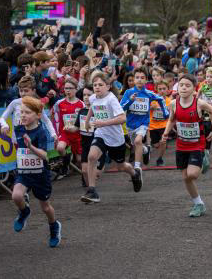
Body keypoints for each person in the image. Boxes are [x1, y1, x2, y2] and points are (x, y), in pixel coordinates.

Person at [81, 72, 142, 203]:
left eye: (100, 85)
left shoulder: (111, 99)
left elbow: (122, 118)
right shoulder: (93, 98)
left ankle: (135, 174)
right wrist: (87, 120)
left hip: (115, 138)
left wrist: (103, 123)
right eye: (95, 85)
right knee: (91, 157)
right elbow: (93, 107)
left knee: (121, 167)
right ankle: (92, 191)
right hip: (101, 134)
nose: (97, 87)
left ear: (108, 86)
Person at [163, 74, 212, 217]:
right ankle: (198, 204)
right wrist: (166, 132)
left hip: (197, 144)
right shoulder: (174, 103)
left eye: (187, 85)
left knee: (192, 174)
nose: (184, 88)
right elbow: (171, 120)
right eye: (181, 85)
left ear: (194, 89)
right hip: (181, 145)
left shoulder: (199, 103)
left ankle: (204, 158)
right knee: (186, 177)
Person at [11, 96, 62, 248]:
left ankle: (54, 227)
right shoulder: (19, 128)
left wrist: (31, 147)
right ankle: (24, 212)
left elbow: (45, 155)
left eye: (27, 113)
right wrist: (4, 128)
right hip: (24, 172)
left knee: (45, 207)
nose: (23, 116)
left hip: (40, 174)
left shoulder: (41, 132)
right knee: (16, 195)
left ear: (38, 115)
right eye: (21, 113)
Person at [120, 67, 169, 171]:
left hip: (143, 123)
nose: (140, 80)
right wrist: (130, 100)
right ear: (134, 79)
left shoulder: (148, 93)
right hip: (130, 124)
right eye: (137, 77)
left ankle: (137, 167)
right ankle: (145, 150)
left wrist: (165, 112)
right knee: (136, 144)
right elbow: (121, 108)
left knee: (138, 141)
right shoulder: (128, 93)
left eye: (142, 77)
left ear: (146, 80)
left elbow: (160, 99)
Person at [51, 77, 84, 179]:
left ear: (76, 89)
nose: (68, 90)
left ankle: (85, 177)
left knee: (79, 160)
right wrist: (55, 132)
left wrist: (77, 128)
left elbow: (83, 121)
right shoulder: (59, 103)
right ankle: (66, 162)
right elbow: (52, 114)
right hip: (65, 133)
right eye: (66, 88)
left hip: (77, 134)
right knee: (60, 148)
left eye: (70, 88)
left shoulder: (81, 104)